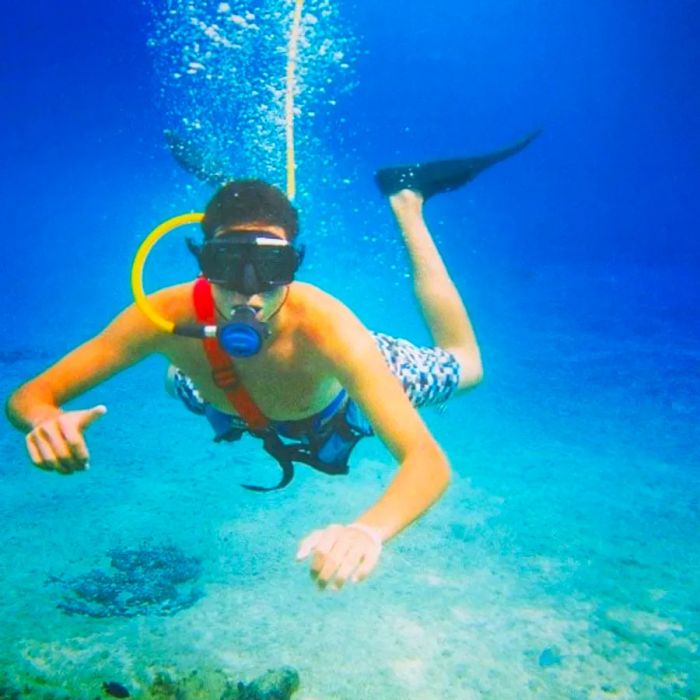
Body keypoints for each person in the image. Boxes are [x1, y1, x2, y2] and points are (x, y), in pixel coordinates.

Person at [5, 131, 539, 591]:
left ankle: (406, 199)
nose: (248, 291)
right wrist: (44, 420)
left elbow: (428, 462)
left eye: (272, 264)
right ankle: (199, 347)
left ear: (295, 264)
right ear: (202, 260)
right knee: (183, 376)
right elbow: (28, 396)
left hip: (339, 394)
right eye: (226, 261)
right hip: (219, 387)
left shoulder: (327, 328)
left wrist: (366, 530)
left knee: (467, 366)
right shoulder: (162, 316)